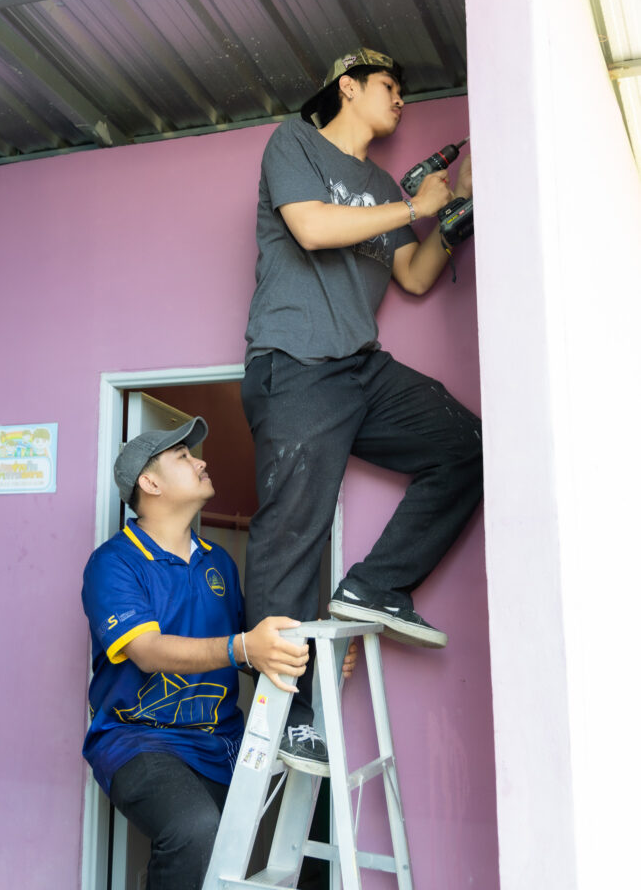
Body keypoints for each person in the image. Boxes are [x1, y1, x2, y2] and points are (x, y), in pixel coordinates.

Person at [242, 47, 483, 775]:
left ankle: (374, 587)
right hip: (294, 360)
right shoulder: (294, 142)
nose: (400, 99)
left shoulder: (379, 185)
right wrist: (416, 206)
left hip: (358, 365)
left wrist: (456, 208)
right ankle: (283, 717)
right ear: (347, 87)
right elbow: (312, 228)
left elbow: (413, 274)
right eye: (388, 86)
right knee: (294, 532)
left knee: (467, 447)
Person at [81, 417, 310, 890]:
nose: (201, 462)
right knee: (194, 831)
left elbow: (252, 649)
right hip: (139, 739)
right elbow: (147, 651)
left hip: (220, 743)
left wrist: (311, 658)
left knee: (223, 860)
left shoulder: (218, 561)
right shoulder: (113, 563)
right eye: (183, 457)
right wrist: (242, 646)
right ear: (150, 483)